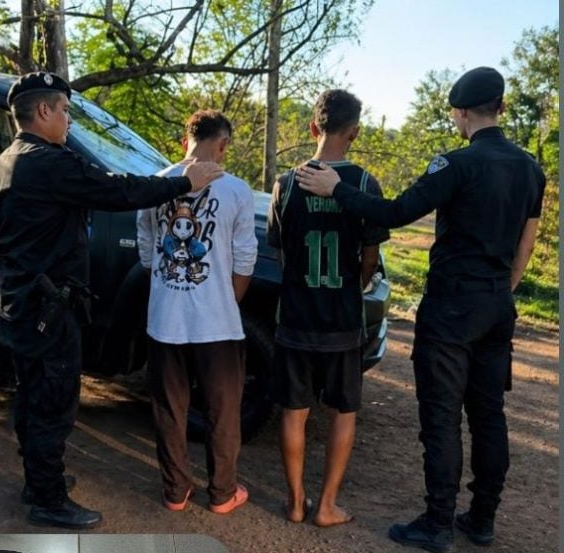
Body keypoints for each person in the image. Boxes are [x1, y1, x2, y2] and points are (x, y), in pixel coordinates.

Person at [296, 67, 545, 552]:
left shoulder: (455, 165)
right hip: (497, 303)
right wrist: (500, 291)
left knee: (442, 415)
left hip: (452, 307)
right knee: (490, 415)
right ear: (502, 108)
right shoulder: (531, 168)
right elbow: (527, 243)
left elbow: (393, 213)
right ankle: (482, 518)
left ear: (459, 113)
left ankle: (436, 523)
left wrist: (336, 190)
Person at [0, 71, 224, 529]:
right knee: (53, 403)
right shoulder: (49, 162)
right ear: (44, 111)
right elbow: (117, 190)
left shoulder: (5, 162)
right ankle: (48, 499)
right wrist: (183, 183)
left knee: (31, 397)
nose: (69, 121)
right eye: (66, 111)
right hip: (48, 310)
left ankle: (39, 481)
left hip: (17, 303)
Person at [267, 89, 388, 527]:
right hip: (341, 319)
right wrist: (353, 284)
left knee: (293, 412)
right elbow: (371, 257)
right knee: (343, 412)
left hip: (295, 317)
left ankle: (295, 502)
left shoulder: (285, 183)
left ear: (313, 127)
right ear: (354, 132)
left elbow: (280, 253)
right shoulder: (363, 184)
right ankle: (327, 505)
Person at [136, 109, 257, 516]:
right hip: (218, 324)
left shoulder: (156, 184)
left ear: (184, 141)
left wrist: (172, 289)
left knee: (170, 409)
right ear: (222, 143)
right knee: (223, 410)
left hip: (165, 318)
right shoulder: (238, 191)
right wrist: (225, 301)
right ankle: (222, 494)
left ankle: (175, 492)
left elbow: (146, 250)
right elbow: (245, 259)